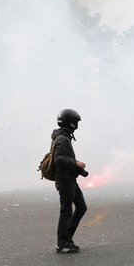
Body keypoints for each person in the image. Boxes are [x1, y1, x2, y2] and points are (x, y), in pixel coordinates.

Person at [52, 109, 88, 254]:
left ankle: (67, 238)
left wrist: (77, 167)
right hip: (65, 181)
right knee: (66, 211)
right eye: (76, 122)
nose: (77, 125)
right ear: (71, 123)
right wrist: (76, 164)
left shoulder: (63, 136)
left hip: (69, 179)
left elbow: (64, 158)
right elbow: (59, 159)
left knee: (81, 207)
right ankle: (62, 243)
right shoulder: (62, 139)